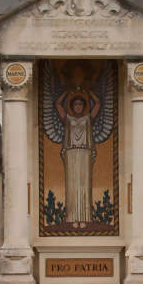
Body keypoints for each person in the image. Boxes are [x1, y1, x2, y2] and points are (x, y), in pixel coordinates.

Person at [56, 89, 100, 222]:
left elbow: (97, 103)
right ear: (72, 106)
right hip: (71, 152)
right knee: (72, 185)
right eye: (76, 104)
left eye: (81, 104)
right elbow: (58, 104)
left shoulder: (88, 118)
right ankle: (71, 218)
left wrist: (89, 91)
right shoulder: (68, 119)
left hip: (85, 153)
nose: (78, 106)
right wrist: (67, 92)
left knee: (85, 185)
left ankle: (85, 218)